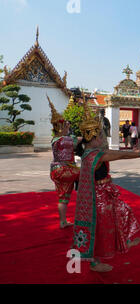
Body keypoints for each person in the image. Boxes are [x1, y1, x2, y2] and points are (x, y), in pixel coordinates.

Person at [73, 102, 140, 273]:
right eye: (101, 136)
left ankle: (123, 240)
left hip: (105, 193)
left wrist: (137, 151)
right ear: (94, 138)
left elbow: (119, 153)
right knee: (102, 229)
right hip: (99, 198)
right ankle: (95, 262)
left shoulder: (89, 153)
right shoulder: (95, 155)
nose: (103, 139)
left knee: (123, 211)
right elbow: (122, 154)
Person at [47, 96, 81, 229]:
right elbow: (77, 140)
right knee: (87, 173)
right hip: (64, 170)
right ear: (61, 127)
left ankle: (63, 221)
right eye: (66, 126)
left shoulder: (54, 139)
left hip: (56, 170)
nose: (68, 127)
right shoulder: (65, 139)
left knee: (63, 198)